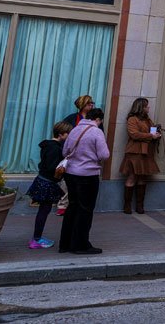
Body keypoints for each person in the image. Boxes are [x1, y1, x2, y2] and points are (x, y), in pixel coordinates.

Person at [59, 108, 109, 255]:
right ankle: (80, 244)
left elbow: (64, 151)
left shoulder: (75, 130)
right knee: (85, 210)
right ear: (98, 120)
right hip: (87, 175)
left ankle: (65, 243)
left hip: (71, 174)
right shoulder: (96, 132)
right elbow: (104, 154)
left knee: (72, 207)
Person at [27, 121, 71, 249]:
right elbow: (52, 167)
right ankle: (36, 239)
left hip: (42, 180)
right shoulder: (55, 148)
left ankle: (37, 237)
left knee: (44, 210)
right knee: (43, 211)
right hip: (47, 182)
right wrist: (63, 166)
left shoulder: (48, 145)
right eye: (68, 134)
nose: (69, 137)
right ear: (61, 134)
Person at [56, 95, 95, 216]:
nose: (92, 105)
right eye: (89, 103)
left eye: (92, 103)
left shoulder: (93, 119)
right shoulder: (72, 118)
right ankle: (63, 203)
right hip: (71, 153)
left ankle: (78, 203)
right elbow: (63, 132)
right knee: (67, 179)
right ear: (83, 105)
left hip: (86, 153)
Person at [122, 98, 161, 214]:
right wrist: (150, 136)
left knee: (143, 178)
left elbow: (151, 132)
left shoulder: (148, 120)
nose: (148, 108)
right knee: (132, 177)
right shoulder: (132, 119)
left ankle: (140, 205)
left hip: (146, 152)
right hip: (135, 152)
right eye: (146, 106)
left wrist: (157, 133)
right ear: (141, 107)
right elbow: (134, 134)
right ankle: (127, 205)